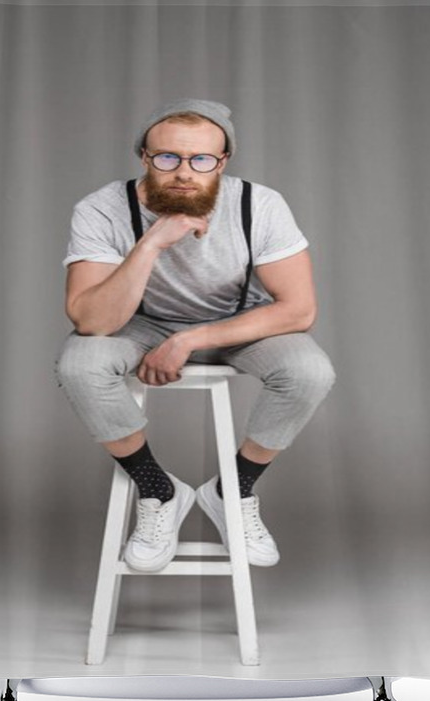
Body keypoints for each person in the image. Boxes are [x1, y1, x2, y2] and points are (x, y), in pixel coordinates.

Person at [53, 98, 336, 574]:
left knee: (309, 372)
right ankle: (159, 491)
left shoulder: (258, 205)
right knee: (79, 366)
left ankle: (233, 490)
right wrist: (151, 242)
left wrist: (189, 340)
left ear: (222, 162)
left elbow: (299, 309)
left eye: (201, 160)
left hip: (232, 320)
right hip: (136, 323)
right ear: (144, 156)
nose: (184, 173)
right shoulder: (101, 209)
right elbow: (92, 321)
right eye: (168, 158)